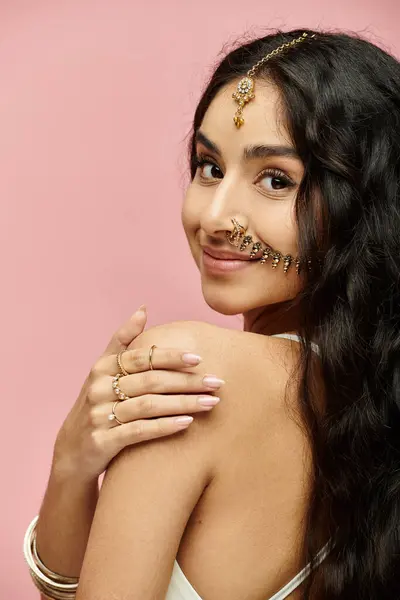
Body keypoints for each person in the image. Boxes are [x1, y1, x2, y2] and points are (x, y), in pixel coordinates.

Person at [23, 26, 400, 599]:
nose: (217, 216)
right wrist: (72, 469)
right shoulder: (372, 403)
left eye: (275, 179)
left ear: (363, 207)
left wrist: (69, 469)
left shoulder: (195, 376)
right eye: (208, 167)